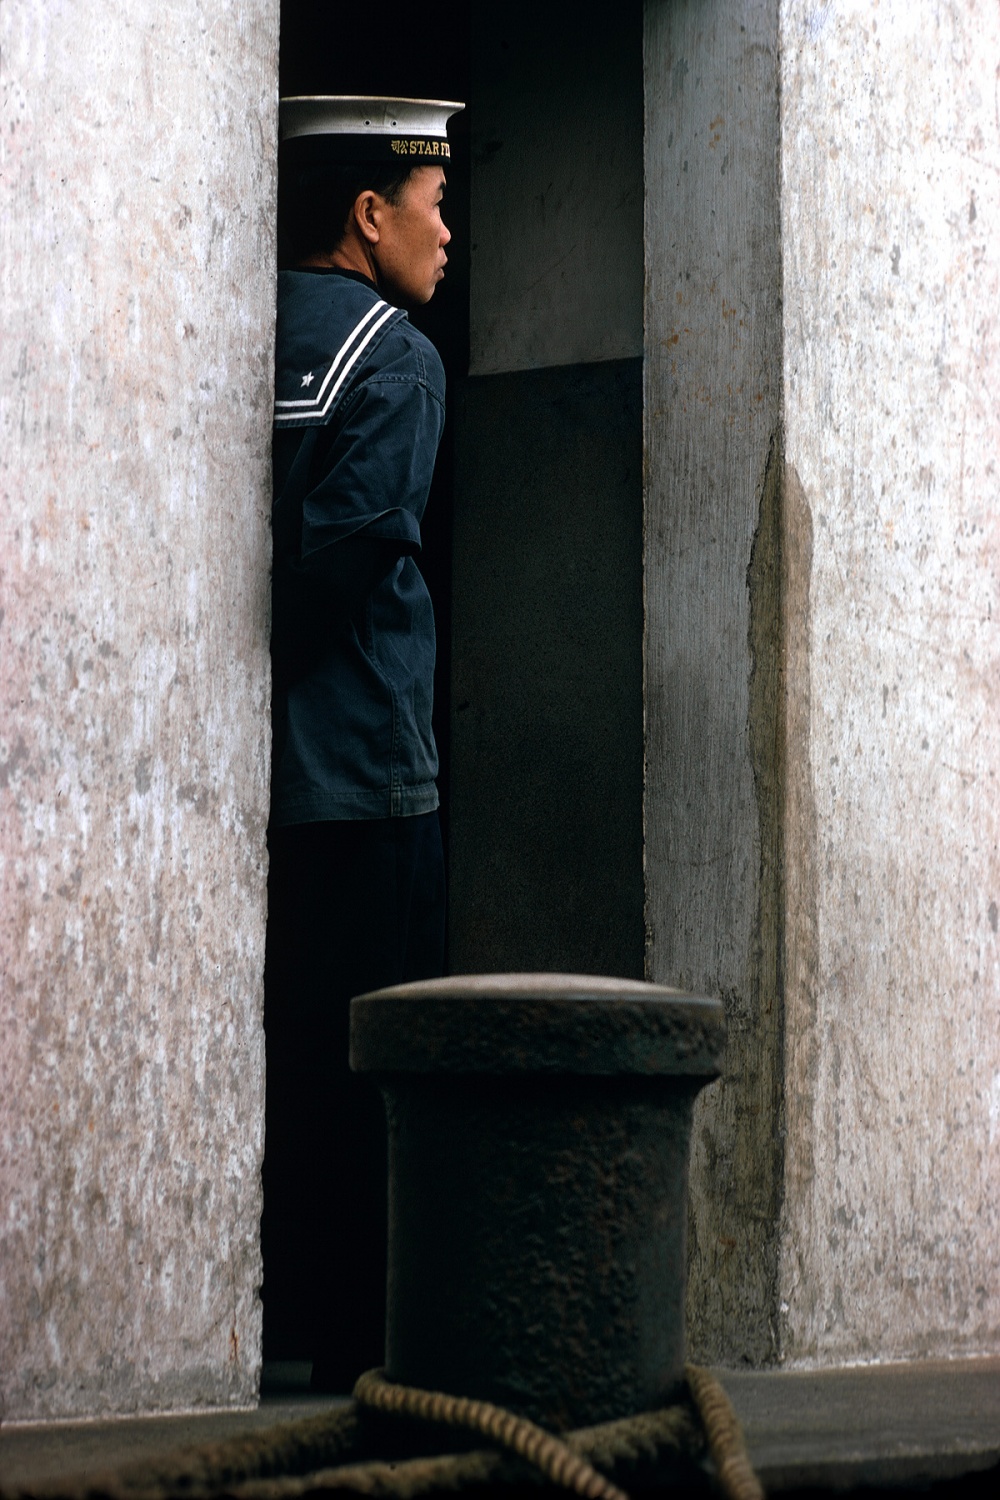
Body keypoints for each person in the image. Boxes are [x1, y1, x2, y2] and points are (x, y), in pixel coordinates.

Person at [262, 97, 463, 1391]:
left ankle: (271, 1329)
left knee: (280, 1058)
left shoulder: (243, 328)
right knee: (373, 1076)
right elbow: (338, 561)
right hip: (364, 778)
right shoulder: (394, 355)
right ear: (368, 212)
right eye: (437, 206)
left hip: (267, 783)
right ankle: (354, 1359)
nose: (450, 238)